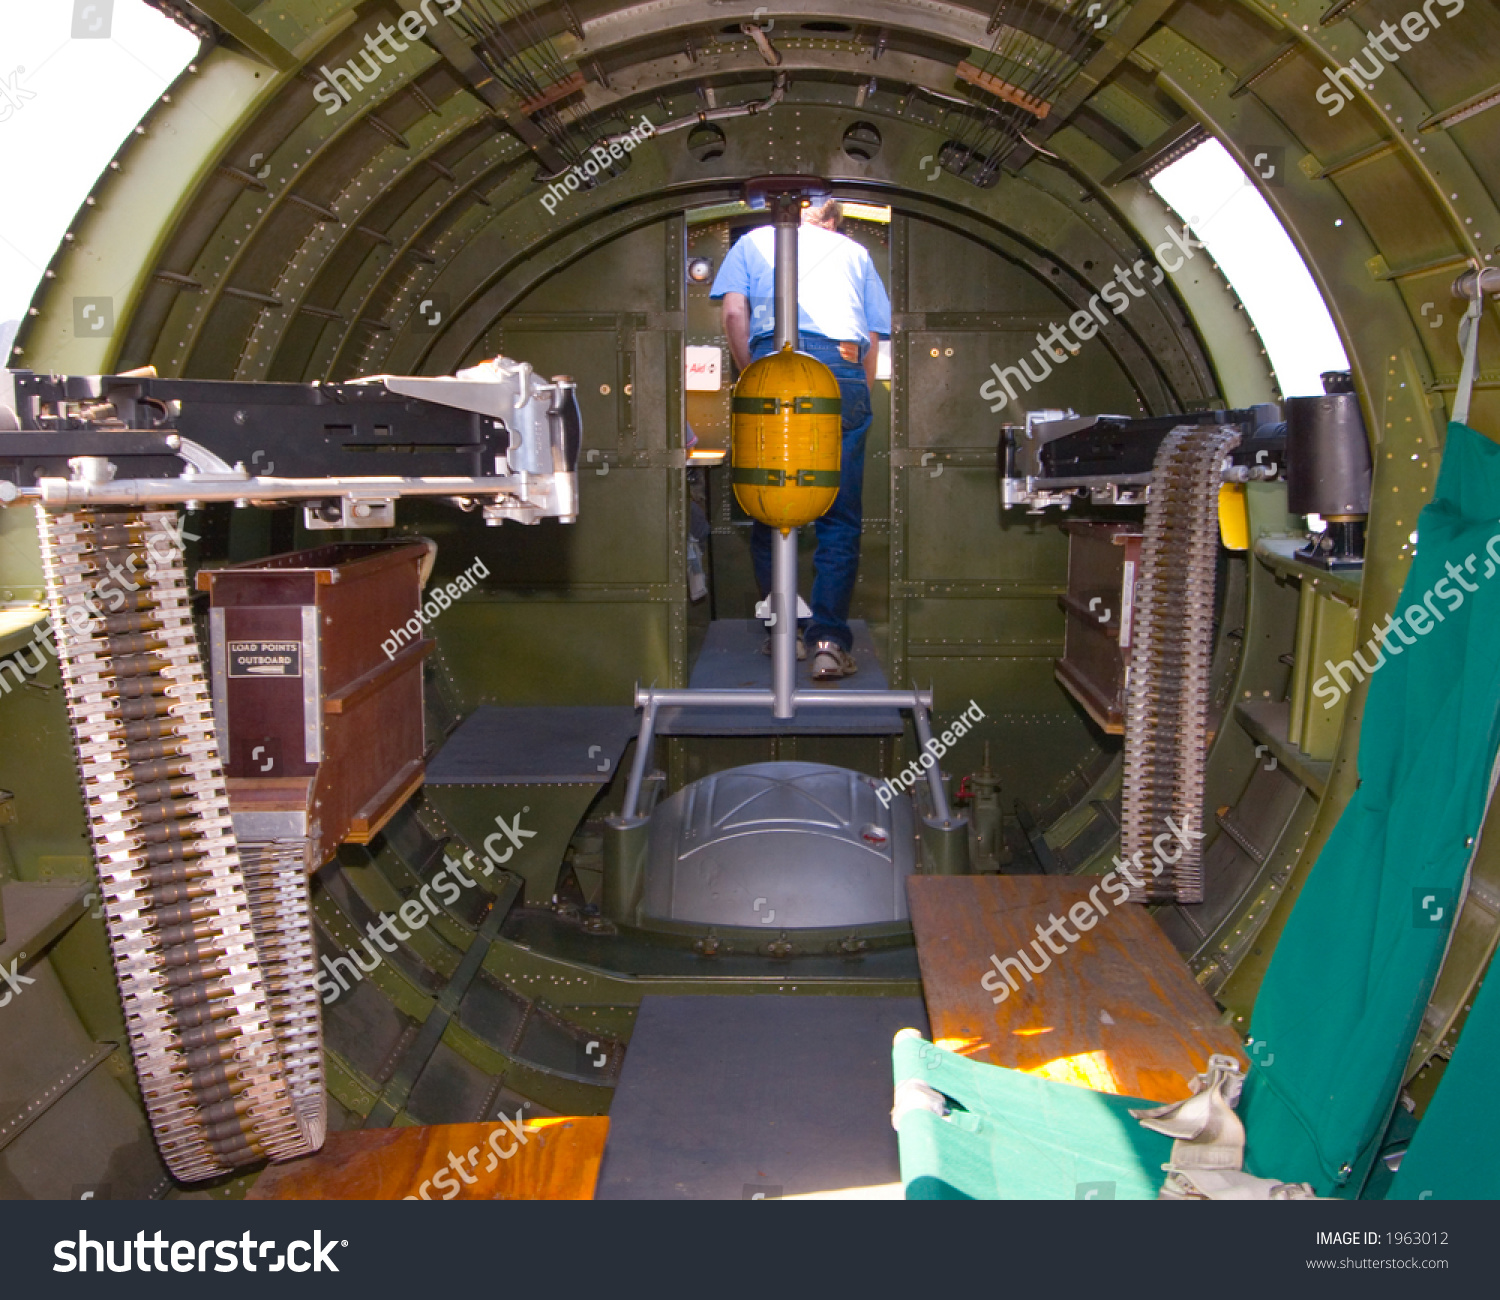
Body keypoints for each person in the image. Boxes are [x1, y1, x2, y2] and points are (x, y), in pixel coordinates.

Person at [710, 198, 891, 680]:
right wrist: (852, 394)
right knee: (840, 516)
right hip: (842, 365)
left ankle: (782, 633)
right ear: (835, 219)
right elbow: (873, 336)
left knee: (770, 502)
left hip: (773, 366)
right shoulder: (855, 253)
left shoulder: (751, 241)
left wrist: (755, 376)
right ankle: (828, 642)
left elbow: (732, 314)